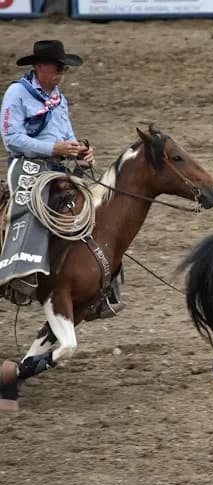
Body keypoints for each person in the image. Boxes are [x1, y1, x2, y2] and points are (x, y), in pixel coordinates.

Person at [1, 40, 124, 317]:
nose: (61, 74)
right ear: (41, 67)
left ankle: (101, 288)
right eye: (58, 68)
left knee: (98, 210)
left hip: (56, 167)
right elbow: (11, 138)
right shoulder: (17, 94)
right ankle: (21, 274)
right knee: (32, 204)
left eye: (64, 69)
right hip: (27, 165)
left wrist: (80, 151)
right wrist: (53, 149)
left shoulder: (58, 98)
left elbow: (67, 134)